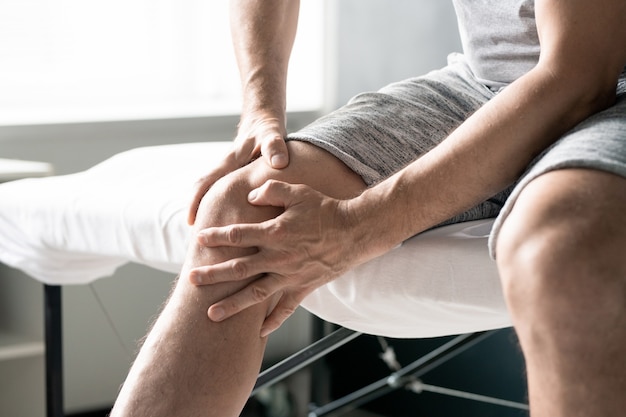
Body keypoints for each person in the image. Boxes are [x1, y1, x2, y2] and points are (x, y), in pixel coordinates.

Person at [110, 0, 626, 416]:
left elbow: (579, 73)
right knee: (246, 207)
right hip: (484, 83)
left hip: (600, 82)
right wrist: (260, 109)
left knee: (562, 248)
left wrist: (361, 227)